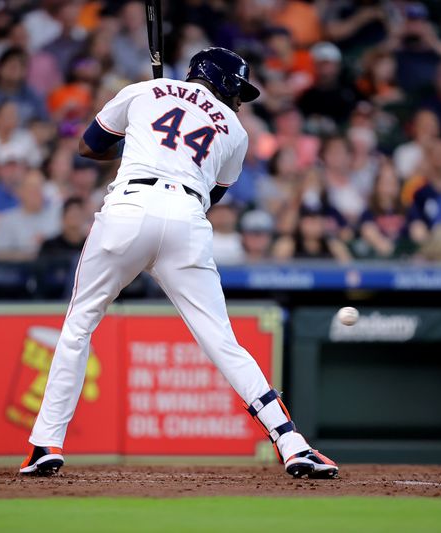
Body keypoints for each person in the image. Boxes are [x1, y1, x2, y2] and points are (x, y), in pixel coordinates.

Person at [21, 47, 339, 479]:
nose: (241, 100)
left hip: (127, 208)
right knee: (222, 341)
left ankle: (45, 445)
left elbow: (88, 146)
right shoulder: (237, 131)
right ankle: (291, 442)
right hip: (188, 218)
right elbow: (215, 195)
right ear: (219, 80)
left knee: (79, 325)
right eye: (238, 88)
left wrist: (140, 135)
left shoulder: (143, 90)